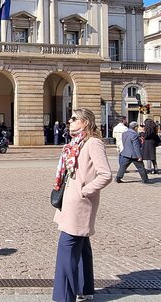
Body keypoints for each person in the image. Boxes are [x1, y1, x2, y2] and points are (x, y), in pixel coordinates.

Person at [52, 108, 112, 302]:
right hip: (70, 202)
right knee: (82, 245)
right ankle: (85, 288)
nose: (69, 121)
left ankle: (64, 297)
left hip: (79, 204)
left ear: (85, 122)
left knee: (66, 249)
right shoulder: (75, 143)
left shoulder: (93, 143)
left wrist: (84, 191)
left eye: (74, 118)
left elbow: (105, 174)